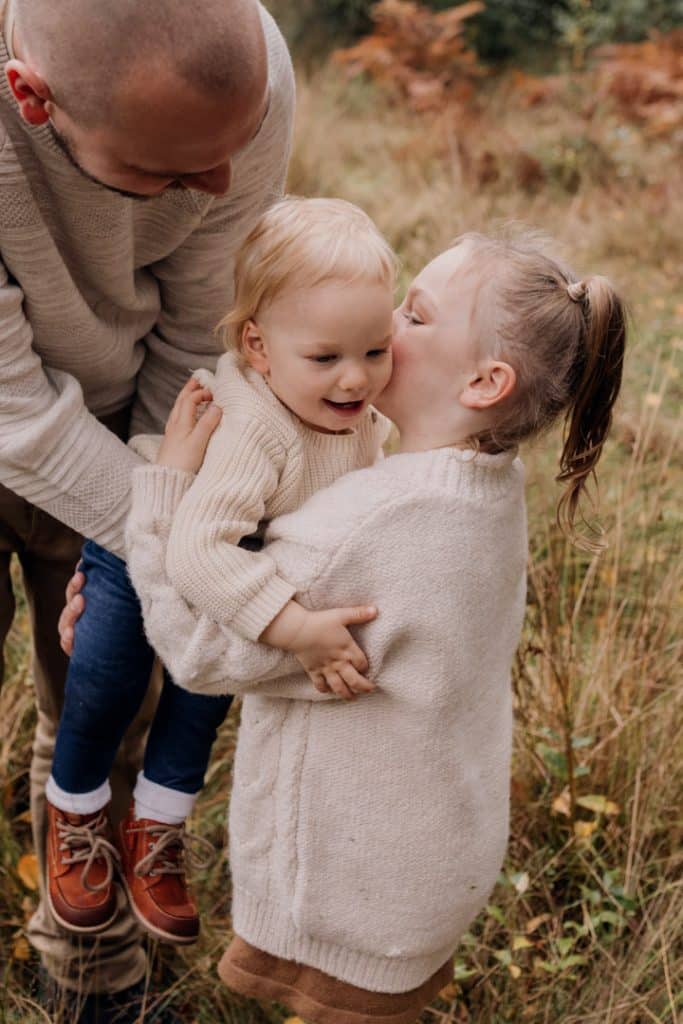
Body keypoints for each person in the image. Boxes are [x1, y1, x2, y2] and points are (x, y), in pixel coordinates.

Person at [118, 231, 626, 1023]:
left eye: (416, 317)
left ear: (485, 381)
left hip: (343, 894)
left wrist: (161, 500)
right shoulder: (483, 486)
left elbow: (194, 650)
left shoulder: (373, 523)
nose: (388, 322)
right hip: (422, 869)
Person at [0, 0, 294, 1013]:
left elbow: (198, 340)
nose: (216, 186)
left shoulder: (244, 79)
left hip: (134, 432)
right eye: (171, 172)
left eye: (230, 151)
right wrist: (167, 533)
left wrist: (154, 538)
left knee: (106, 700)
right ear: (29, 99)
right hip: (17, 406)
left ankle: (89, 979)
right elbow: (16, 412)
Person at [45, 196, 397, 945]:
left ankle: (156, 833)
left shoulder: (361, 421)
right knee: (105, 689)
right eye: (326, 357)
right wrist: (295, 626)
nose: (355, 380)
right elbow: (197, 551)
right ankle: (73, 810)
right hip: (146, 550)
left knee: (202, 702)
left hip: (236, 577)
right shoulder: (256, 432)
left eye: (375, 351)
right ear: (258, 348)